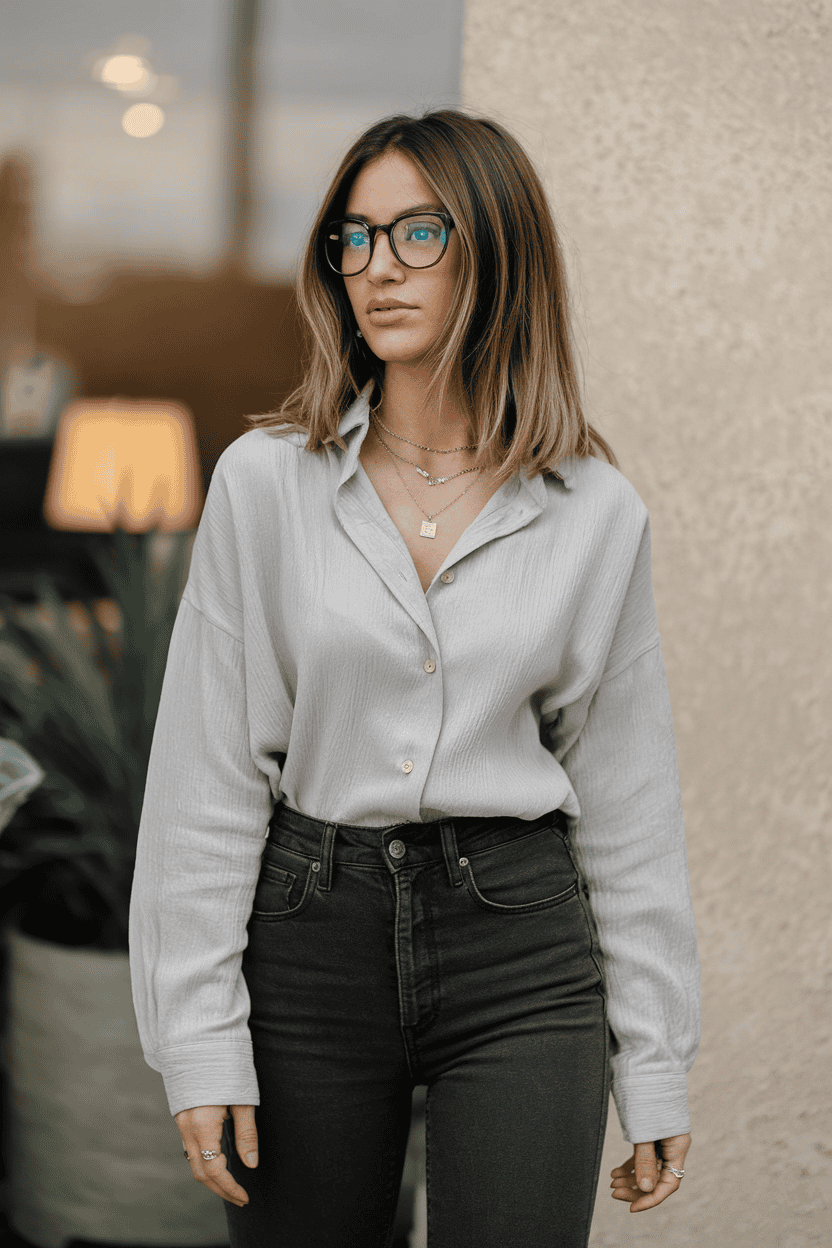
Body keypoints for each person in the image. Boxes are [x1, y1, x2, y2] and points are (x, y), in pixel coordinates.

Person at [129, 109, 700, 1248]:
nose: (376, 268)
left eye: (417, 235)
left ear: (497, 250)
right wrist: (196, 1039)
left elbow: (630, 800)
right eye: (353, 240)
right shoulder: (264, 485)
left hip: (521, 951)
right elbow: (206, 778)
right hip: (308, 936)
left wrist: (658, 1059)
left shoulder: (594, 511)